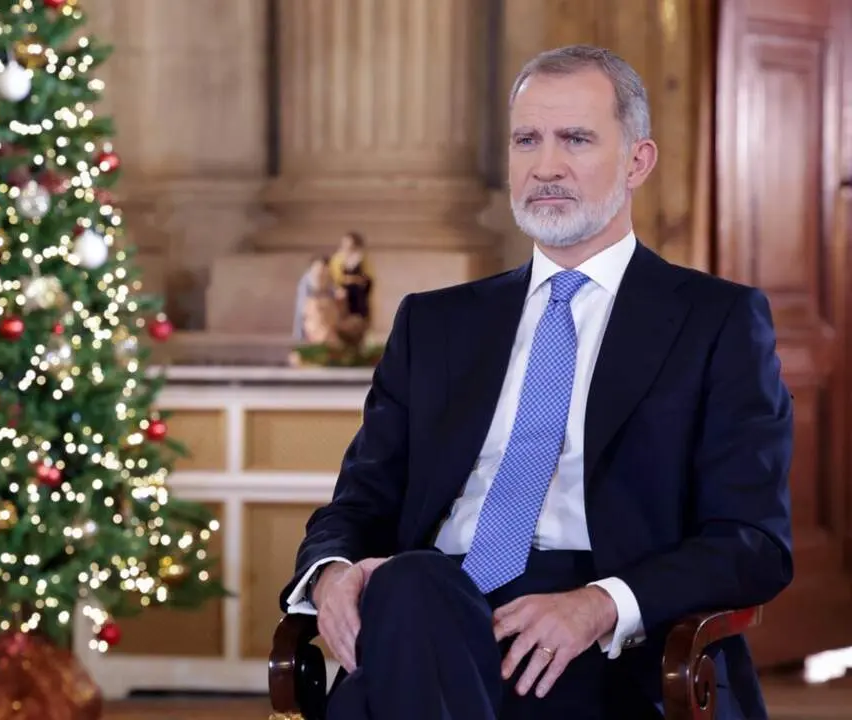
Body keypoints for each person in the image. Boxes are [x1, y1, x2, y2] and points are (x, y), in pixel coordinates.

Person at [279, 44, 793, 720]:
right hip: (429, 607)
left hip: (608, 641)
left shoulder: (716, 320)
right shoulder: (433, 325)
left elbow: (752, 541)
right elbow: (358, 504)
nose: (545, 167)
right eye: (527, 140)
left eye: (575, 139)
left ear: (638, 160)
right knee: (412, 583)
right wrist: (333, 573)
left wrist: (600, 605)